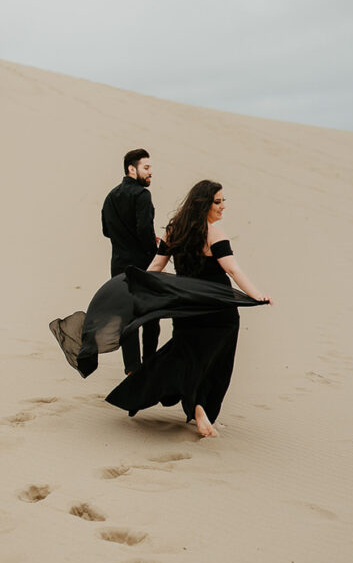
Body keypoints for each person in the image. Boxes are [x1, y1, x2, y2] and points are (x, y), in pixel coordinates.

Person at [105, 180, 272, 437]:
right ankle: (200, 407)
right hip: (219, 312)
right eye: (218, 201)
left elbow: (157, 265)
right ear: (203, 203)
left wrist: (136, 287)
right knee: (216, 363)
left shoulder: (174, 230)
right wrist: (257, 295)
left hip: (186, 309)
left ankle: (189, 404)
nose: (223, 206)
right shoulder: (215, 235)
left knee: (185, 357)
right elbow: (232, 269)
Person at [101, 148, 159, 374]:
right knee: (151, 315)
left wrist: (124, 237)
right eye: (146, 168)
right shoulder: (142, 195)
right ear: (131, 169)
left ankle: (132, 368)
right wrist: (155, 255)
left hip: (118, 266)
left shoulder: (111, 196)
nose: (151, 172)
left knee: (127, 317)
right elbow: (144, 229)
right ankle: (151, 363)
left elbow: (107, 231)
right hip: (143, 265)